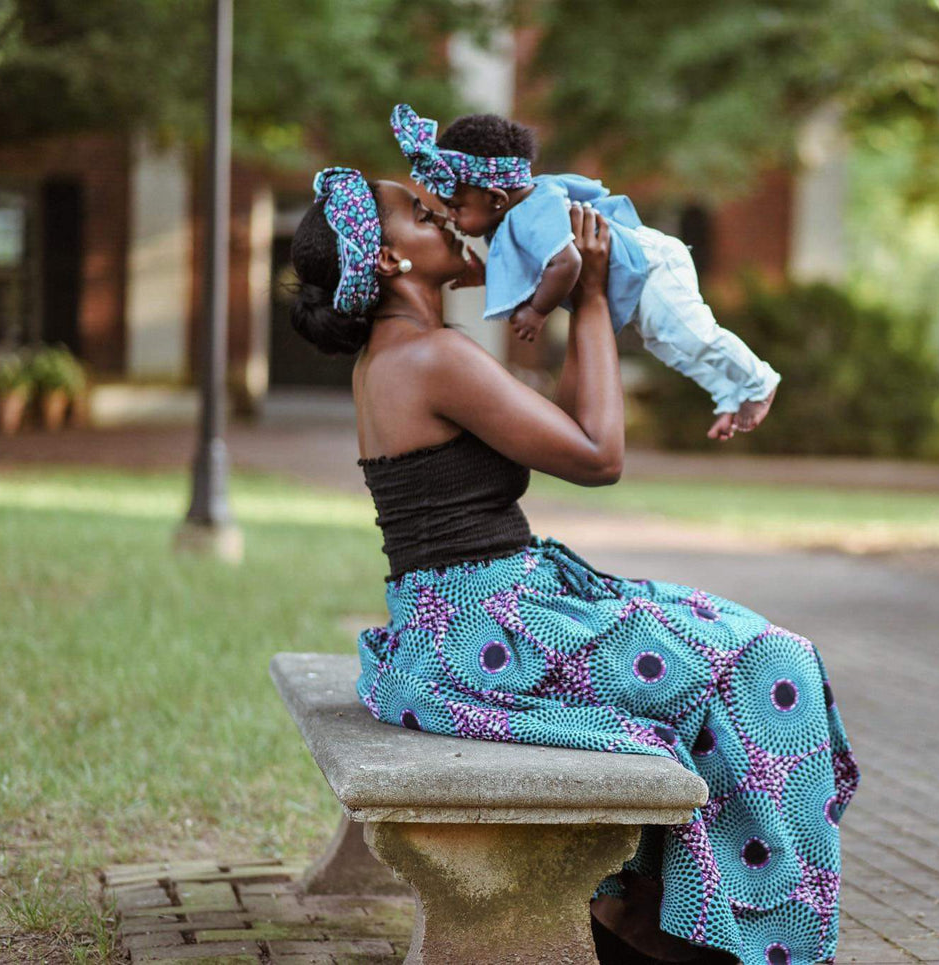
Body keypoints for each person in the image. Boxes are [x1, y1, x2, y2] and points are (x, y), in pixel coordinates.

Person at [288, 166, 858, 965]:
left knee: (725, 638)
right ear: (389, 262)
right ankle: (716, 932)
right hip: (490, 629)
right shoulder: (430, 356)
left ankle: (655, 916)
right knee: (766, 661)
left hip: (470, 618)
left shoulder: (405, 353)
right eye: (422, 212)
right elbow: (597, 454)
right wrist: (591, 297)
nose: (451, 215)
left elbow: (559, 422)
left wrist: (567, 299)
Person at [390, 103, 780, 443]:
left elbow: (567, 264)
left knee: (695, 337)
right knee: (670, 345)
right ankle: (729, 394)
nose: (450, 217)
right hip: (637, 276)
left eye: (456, 207)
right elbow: (537, 265)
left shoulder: (531, 214)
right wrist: (486, 275)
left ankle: (760, 380)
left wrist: (537, 311)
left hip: (650, 267)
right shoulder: (514, 214)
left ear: (495, 199)